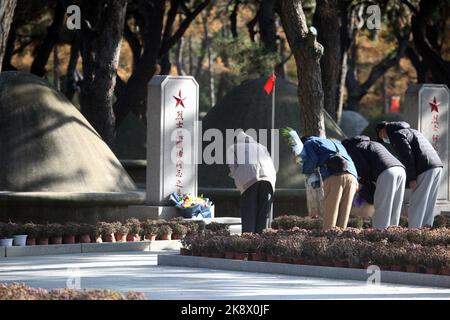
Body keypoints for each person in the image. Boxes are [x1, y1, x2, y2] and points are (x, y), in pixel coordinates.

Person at [376, 121, 443, 228]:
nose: (383, 138)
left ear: (383, 130)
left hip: (424, 168)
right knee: (429, 204)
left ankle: (414, 233)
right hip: (437, 166)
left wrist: (411, 178)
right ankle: (426, 232)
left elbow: (407, 157)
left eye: (381, 136)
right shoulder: (410, 131)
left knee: (416, 203)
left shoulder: (396, 135)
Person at [342, 136, 406, 228]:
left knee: (382, 207)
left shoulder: (354, 149)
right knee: (394, 207)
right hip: (401, 170)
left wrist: (363, 191)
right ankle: (393, 234)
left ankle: (379, 236)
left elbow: (363, 171)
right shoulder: (372, 143)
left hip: (387, 172)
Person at [300, 136, 358, 230]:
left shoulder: (308, 143)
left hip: (335, 176)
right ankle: (342, 240)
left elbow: (312, 160)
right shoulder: (336, 142)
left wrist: (305, 170)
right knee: (344, 212)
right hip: (352, 176)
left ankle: (328, 240)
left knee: (331, 211)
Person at [227, 131, 276, 234]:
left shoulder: (233, 148)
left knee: (249, 210)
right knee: (263, 212)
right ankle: (261, 241)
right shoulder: (261, 147)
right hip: (269, 178)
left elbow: (233, 167)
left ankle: (248, 242)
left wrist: (237, 179)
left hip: (249, 180)